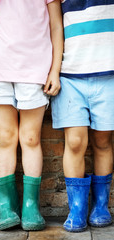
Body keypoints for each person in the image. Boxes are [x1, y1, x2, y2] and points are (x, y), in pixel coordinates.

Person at [0, 0, 63, 231]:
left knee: (31, 138)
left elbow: (56, 26)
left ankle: (30, 206)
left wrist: (54, 70)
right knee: (5, 137)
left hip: (35, 70)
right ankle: (6, 207)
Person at [51, 1, 114, 232]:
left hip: (109, 73)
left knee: (103, 140)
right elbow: (54, 25)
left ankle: (100, 207)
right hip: (70, 75)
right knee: (75, 141)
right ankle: (76, 210)